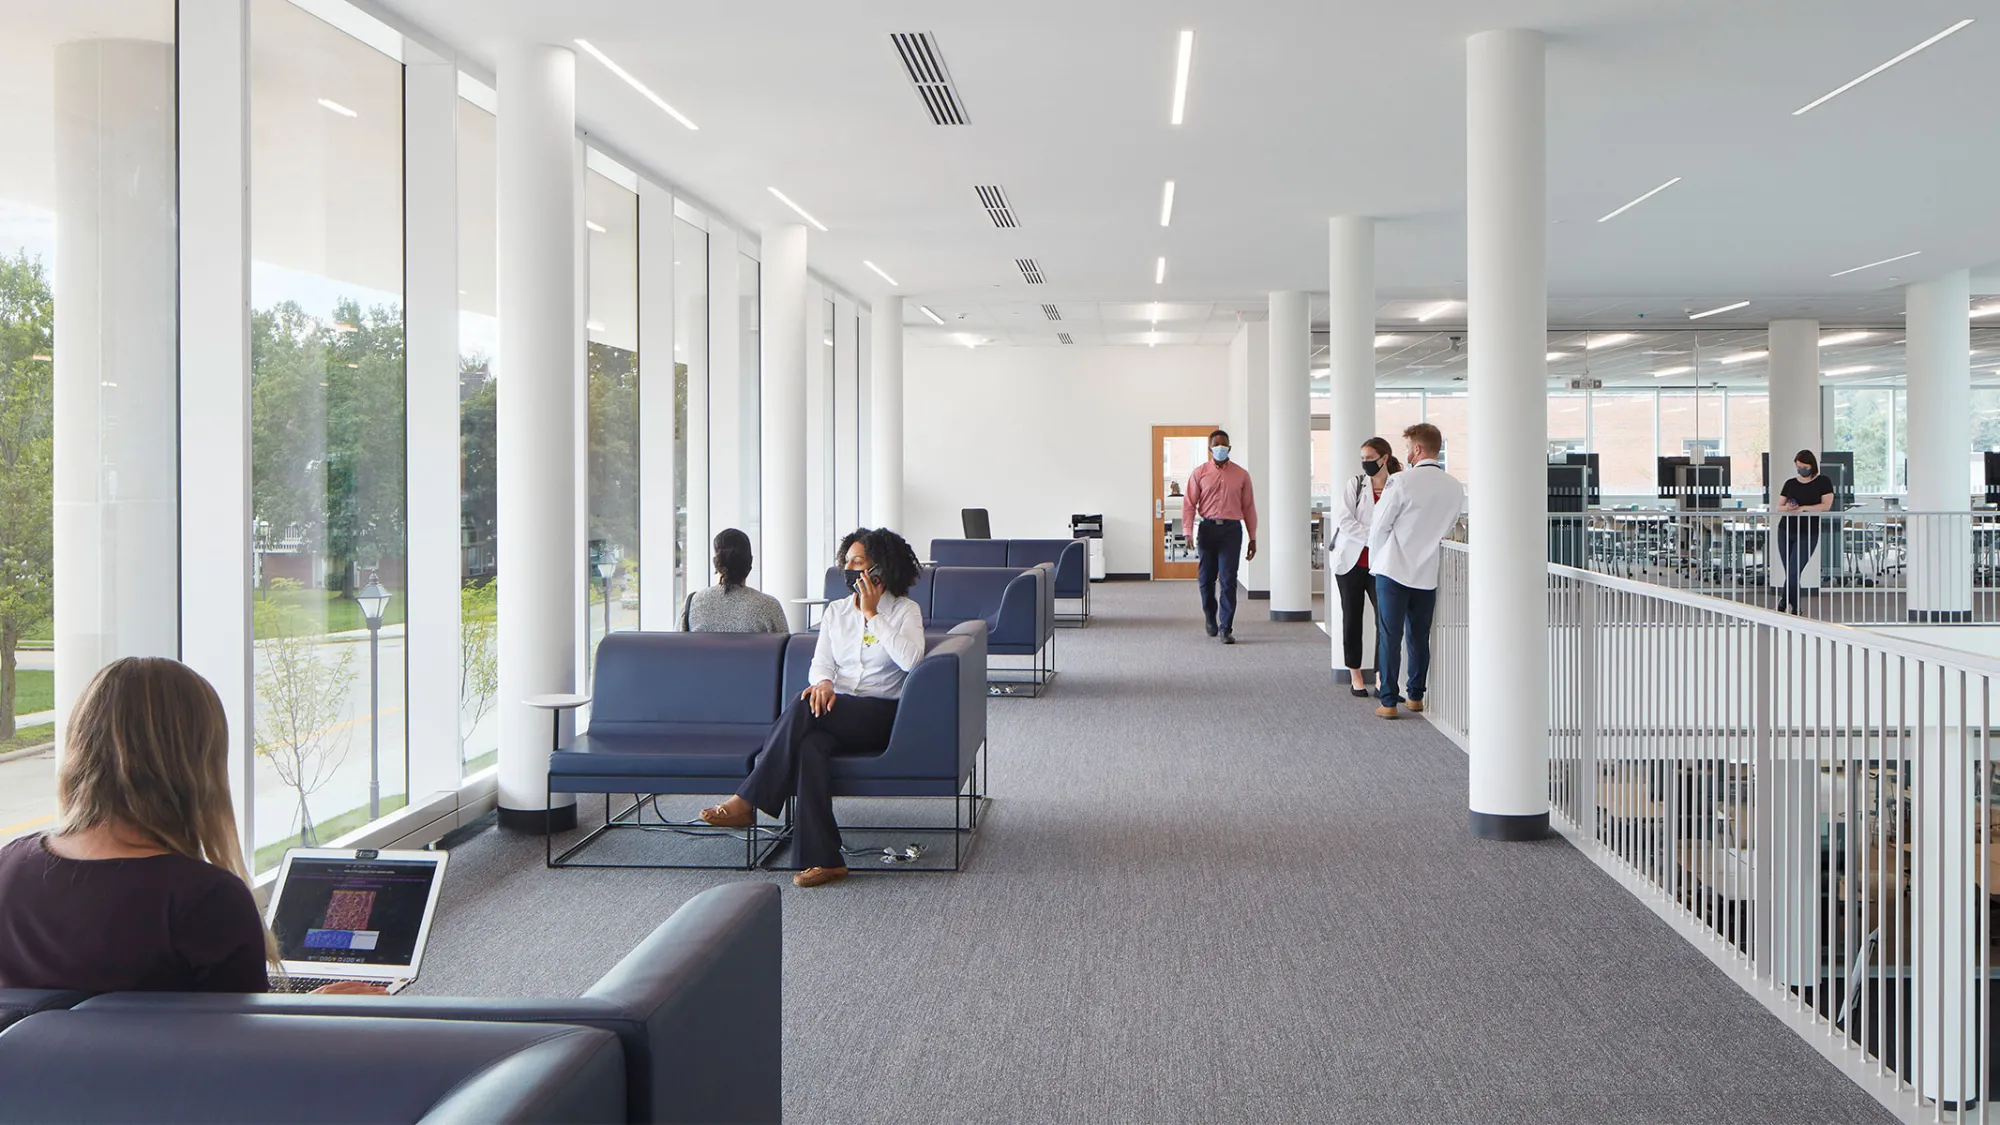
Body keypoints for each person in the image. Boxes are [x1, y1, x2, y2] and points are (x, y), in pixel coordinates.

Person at [0, 657, 376, 995]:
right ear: (199, 762)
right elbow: (240, 1059)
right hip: (153, 1075)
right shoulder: (206, 900)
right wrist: (316, 1016)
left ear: (82, 745)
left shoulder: (8, 867)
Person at [700, 528, 927, 888]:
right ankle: (825, 859)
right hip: (838, 711)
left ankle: (748, 798)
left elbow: (912, 661)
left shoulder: (903, 610)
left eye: (859, 562)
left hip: (881, 715)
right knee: (809, 745)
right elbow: (822, 664)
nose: (850, 568)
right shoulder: (836, 612)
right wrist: (822, 683)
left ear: (880, 569)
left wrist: (873, 616)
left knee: (803, 706)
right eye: (847, 562)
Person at [1366, 423, 1465, 720]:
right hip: (1426, 572)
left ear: (1419, 449)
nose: (1407, 454)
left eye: (1409, 447)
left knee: (1389, 636)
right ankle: (1416, 696)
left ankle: (1389, 701)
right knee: (1419, 637)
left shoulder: (1401, 482)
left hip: (1393, 569)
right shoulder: (1454, 486)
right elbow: (1449, 527)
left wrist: (1376, 561)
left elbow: (1379, 526)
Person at [1332, 437, 1403, 696]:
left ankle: (1380, 674)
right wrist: (1374, 535)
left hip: (1382, 564)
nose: (1365, 463)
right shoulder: (1356, 484)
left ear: (1384, 458)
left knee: (1385, 620)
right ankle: (1355, 673)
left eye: (1369, 459)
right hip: (1351, 563)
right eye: (1362, 458)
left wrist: (1377, 537)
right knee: (1352, 617)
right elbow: (1344, 521)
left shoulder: (1398, 485)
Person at [1182, 428, 1258, 644]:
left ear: (1230, 448)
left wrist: (1253, 537)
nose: (1220, 449)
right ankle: (1210, 615)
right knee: (1206, 579)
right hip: (1207, 530)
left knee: (1228, 580)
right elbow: (1189, 504)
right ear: (1210, 449)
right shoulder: (1199, 473)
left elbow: (1249, 507)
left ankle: (1226, 627)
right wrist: (1187, 531)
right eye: (1216, 446)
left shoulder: (1241, 475)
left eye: (1224, 446)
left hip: (1231, 531)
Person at [683, 528, 790, 633]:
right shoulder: (768, 606)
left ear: (716, 563)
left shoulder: (693, 604)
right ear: (750, 562)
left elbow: (677, 646)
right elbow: (785, 647)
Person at [1774, 449, 1835, 614]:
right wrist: (1788, 508)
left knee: (1794, 571)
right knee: (1790, 571)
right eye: (1798, 466)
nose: (1801, 469)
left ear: (1811, 466)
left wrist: (1803, 509)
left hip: (1808, 533)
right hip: (1785, 530)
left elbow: (1826, 506)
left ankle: (1786, 604)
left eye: (1804, 466)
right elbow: (1779, 506)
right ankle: (1791, 606)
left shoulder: (1823, 482)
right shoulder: (1790, 483)